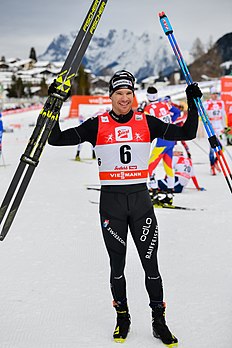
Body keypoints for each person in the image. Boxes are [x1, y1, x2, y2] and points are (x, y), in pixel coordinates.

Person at [48, 70, 202, 346]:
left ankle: (159, 321)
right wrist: (55, 103)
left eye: (128, 93)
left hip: (141, 203)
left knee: (151, 265)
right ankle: (123, 316)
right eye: (119, 93)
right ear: (111, 96)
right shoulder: (97, 124)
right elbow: (55, 138)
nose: (124, 98)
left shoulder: (148, 122)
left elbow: (188, 132)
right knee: (117, 267)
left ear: (134, 95)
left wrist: (192, 104)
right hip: (112, 205)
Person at [144, 87, 181, 205]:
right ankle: (169, 194)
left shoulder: (148, 108)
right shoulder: (164, 104)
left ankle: (154, 193)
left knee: (149, 167)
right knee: (168, 167)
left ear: (148, 97)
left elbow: (145, 125)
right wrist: (171, 123)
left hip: (161, 142)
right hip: (171, 140)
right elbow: (177, 112)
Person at [203, 86, 227, 175]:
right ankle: (212, 167)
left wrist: (225, 127)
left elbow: (223, 115)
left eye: (216, 94)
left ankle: (216, 162)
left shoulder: (221, 103)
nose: (215, 96)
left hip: (219, 127)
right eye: (213, 94)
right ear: (211, 95)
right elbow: (203, 115)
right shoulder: (206, 103)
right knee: (212, 148)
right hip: (211, 128)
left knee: (222, 147)